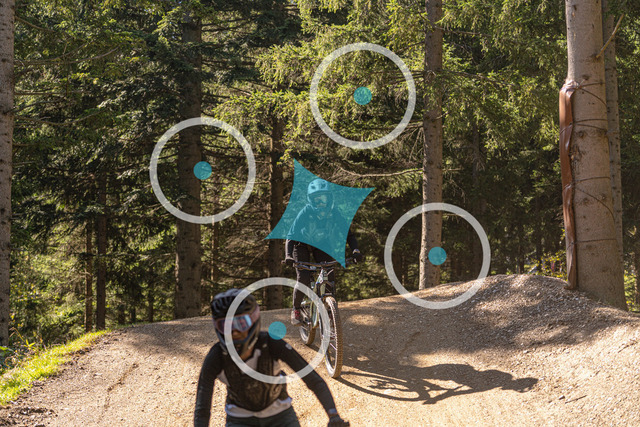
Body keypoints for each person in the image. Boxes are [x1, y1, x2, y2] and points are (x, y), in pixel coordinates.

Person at [194, 289, 349, 427]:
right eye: (225, 326)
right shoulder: (216, 356)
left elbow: (312, 379)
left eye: (241, 323)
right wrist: (333, 415)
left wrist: (334, 416)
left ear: (253, 320)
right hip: (242, 418)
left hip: (279, 415)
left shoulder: (270, 343)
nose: (234, 332)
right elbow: (203, 406)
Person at [284, 178, 363, 326]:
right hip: (301, 245)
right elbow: (291, 235)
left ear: (329, 198)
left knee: (329, 275)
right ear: (311, 200)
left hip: (321, 244)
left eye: (324, 198)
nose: (321, 203)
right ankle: (296, 309)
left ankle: (330, 309)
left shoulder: (334, 213)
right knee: (303, 278)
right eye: (317, 199)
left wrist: (355, 250)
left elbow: (349, 235)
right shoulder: (305, 212)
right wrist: (288, 255)